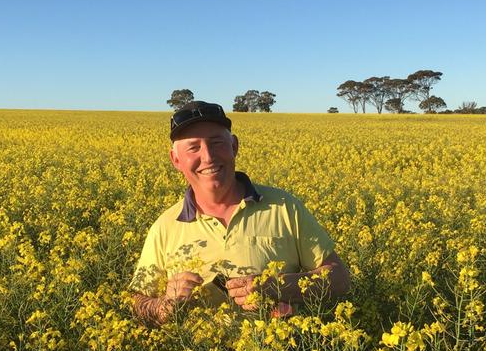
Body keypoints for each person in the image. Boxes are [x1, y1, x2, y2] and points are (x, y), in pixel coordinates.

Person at [131, 101, 351, 325]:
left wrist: (279, 287)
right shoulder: (164, 226)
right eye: (193, 147)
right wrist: (165, 304)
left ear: (234, 146)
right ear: (175, 160)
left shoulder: (285, 207)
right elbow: (136, 303)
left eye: (216, 143)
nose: (208, 157)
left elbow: (340, 278)